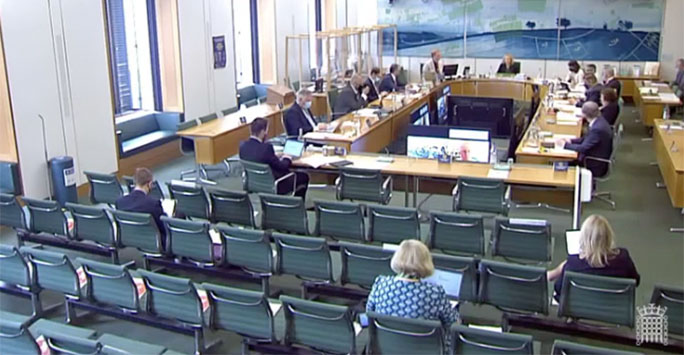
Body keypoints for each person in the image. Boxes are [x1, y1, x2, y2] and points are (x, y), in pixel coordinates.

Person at [367, 240, 459, 350]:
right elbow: (453, 324)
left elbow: (369, 314)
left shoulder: (381, 284)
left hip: (386, 349)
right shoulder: (434, 293)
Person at [547, 215, 639, 300]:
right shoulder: (623, 259)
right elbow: (635, 281)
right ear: (609, 237)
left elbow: (559, 289)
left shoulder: (573, 263)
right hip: (613, 309)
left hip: (578, 308)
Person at [239, 117, 309, 198]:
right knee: (303, 177)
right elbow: (282, 167)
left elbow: (258, 156)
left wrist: (275, 156)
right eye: (266, 131)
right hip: (275, 184)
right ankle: (296, 205)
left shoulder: (243, 146)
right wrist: (287, 157)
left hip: (253, 183)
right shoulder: (267, 148)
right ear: (262, 132)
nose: (267, 133)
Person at [557, 102, 613, 177]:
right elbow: (587, 139)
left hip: (593, 163)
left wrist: (564, 145)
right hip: (594, 156)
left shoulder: (597, 129)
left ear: (584, 115)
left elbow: (583, 148)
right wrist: (571, 141)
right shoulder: (599, 121)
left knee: (558, 163)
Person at [115, 167, 166, 239]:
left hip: (130, 239)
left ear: (135, 182)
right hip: (153, 240)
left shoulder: (120, 202)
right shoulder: (153, 203)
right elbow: (162, 227)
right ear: (150, 184)